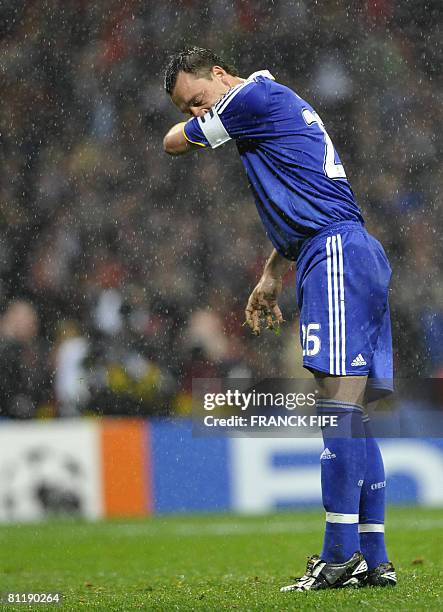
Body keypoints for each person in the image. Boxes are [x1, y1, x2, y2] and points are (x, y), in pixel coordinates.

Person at [163, 47, 397, 591]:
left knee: (338, 407)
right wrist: (273, 272)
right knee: (351, 413)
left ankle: (339, 557)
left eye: (196, 100)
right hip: (342, 249)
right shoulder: (273, 101)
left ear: (218, 75)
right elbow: (309, 197)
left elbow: (172, 144)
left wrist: (191, 125)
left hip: (334, 253)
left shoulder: (249, 97)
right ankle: (372, 556)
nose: (197, 112)